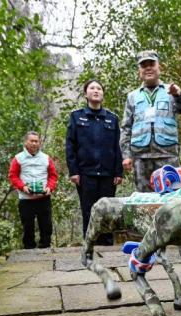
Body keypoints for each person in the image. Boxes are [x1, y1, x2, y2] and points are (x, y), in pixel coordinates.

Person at [120, 50, 181, 192]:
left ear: (159, 67)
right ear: (139, 70)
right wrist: (126, 156)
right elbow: (126, 128)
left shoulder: (170, 90)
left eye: (151, 64)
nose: (148, 68)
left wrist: (179, 95)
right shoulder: (132, 96)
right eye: (143, 65)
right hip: (141, 157)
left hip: (167, 155)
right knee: (144, 200)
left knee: (171, 196)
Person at [65, 79, 123, 245]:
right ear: (86, 94)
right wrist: (73, 171)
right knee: (88, 210)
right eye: (92, 88)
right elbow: (70, 146)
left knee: (107, 210)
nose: (96, 90)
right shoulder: (76, 117)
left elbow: (117, 147)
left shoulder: (112, 118)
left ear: (103, 94)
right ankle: (89, 243)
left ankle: (106, 244)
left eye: (99, 88)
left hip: (107, 174)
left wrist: (118, 172)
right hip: (85, 174)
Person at [8, 131, 58, 249]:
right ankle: (28, 251)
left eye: (36, 141)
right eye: (32, 141)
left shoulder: (46, 158)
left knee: (46, 226)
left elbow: (53, 176)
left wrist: (50, 188)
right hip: (26, 199)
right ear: (26, 142)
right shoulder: (18, 158)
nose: (34, 143)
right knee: (28, 227)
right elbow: (13, 175)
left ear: (39, 143)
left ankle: (45, 248)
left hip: (43, 198)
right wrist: (23, 187)